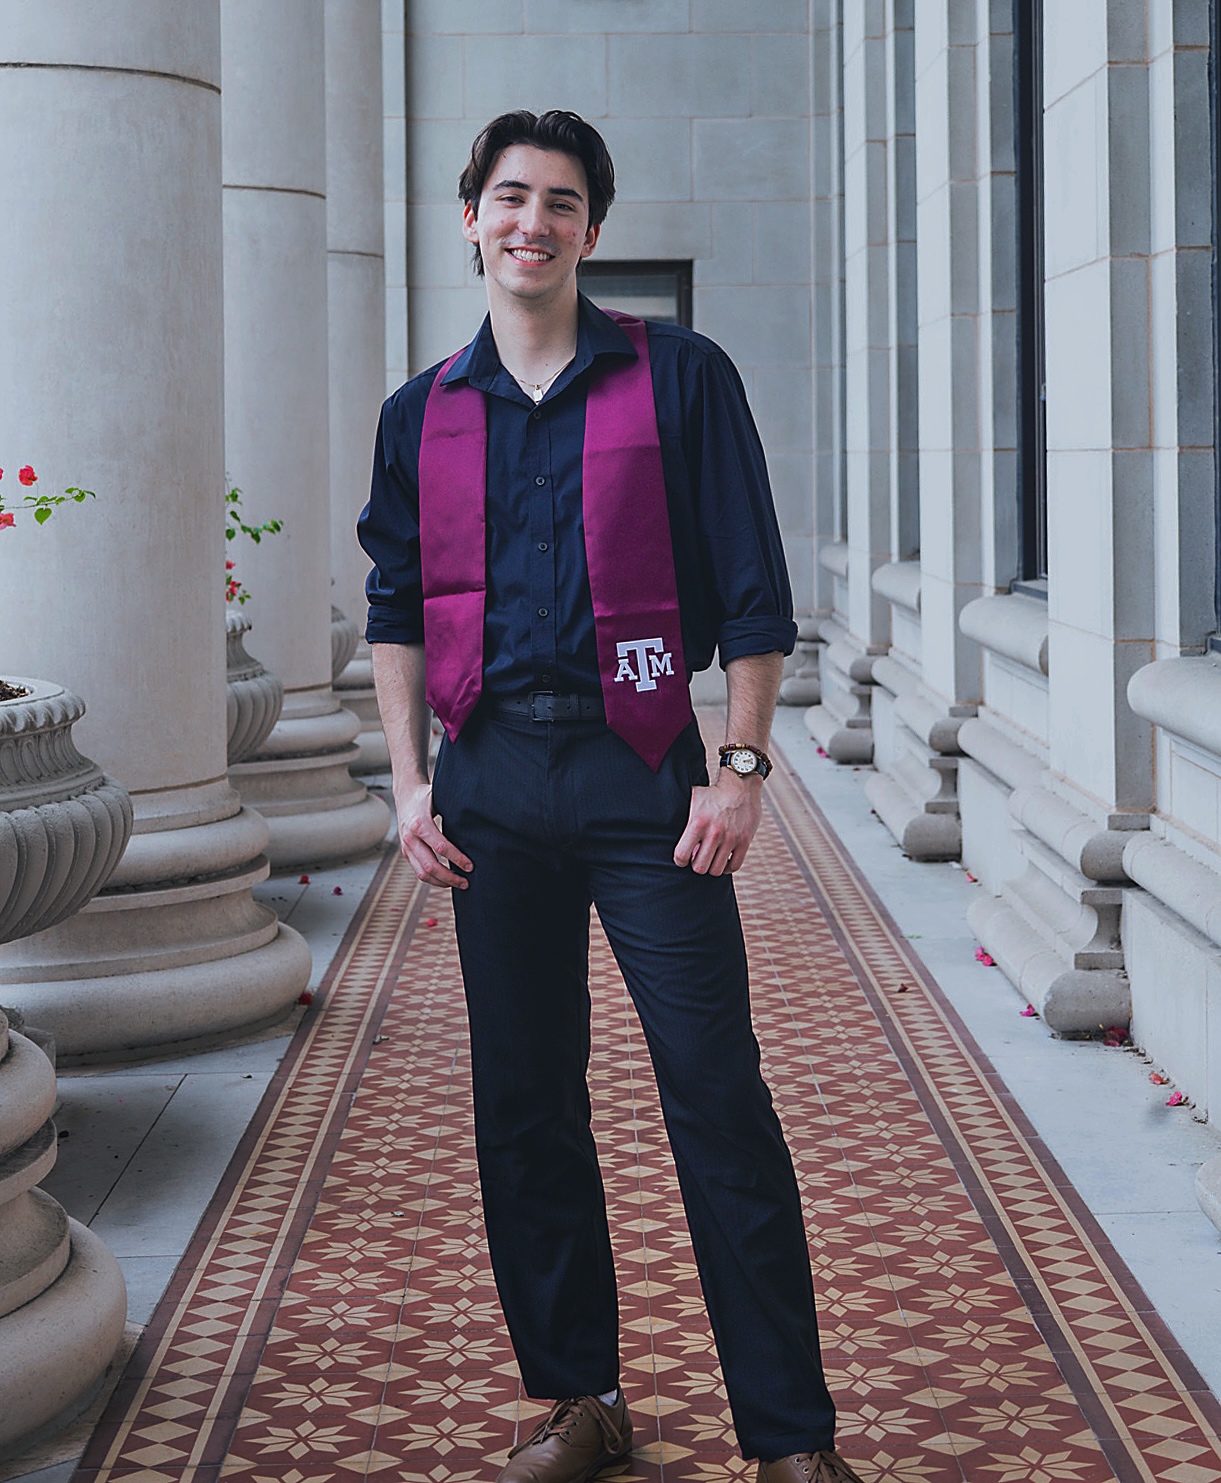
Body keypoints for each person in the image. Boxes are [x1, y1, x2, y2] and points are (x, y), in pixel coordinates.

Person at [358, 109, 865, 1483]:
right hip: (488, 787)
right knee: (524, 1102)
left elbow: (754, 594)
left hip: (644, 774)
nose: (533, 221)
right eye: (510, 196)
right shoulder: (424, 414)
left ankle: (791, 1439)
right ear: (469, 216)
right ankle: (580, 1399)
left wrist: (743, 767)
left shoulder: (678, 378)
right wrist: (408, 785)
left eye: (563, 202)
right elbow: (395, 610)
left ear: (593, 228)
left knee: (715, 1093)